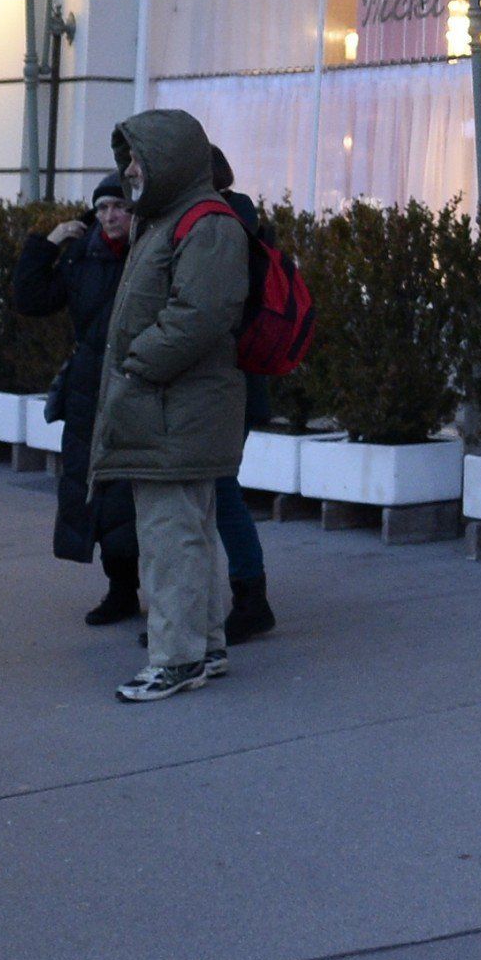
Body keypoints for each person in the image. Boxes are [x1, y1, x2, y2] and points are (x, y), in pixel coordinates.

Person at [94, 109, 253, 703]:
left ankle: (177, 657)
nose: (129, 169)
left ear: (169, 157)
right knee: (189, 531)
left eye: (137, 156)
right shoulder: (170, 220)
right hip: (173, 406)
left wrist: (139, 364)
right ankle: (204, 646)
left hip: (173, 405)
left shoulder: (204, 223)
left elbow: (200, 316)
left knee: (169, 539)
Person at [15, 174, 137, 622]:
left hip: (134, 384)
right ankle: (119, 589)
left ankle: (142, 586)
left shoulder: (149, 254)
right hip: (88, 388)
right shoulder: (81, 256)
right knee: (94, 491)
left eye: (119, 207)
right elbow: (30, 299)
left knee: (130, 494)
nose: (110, 216)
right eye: (103, 208)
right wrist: (47, 243)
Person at [201, 148, 276, 645]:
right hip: (238, 379)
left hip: (225, 381)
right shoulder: (240, 222)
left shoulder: (224, 228)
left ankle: (248, 600)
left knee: (217, 490)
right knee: (214, 491)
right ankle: (229, 601)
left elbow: (208, 311)